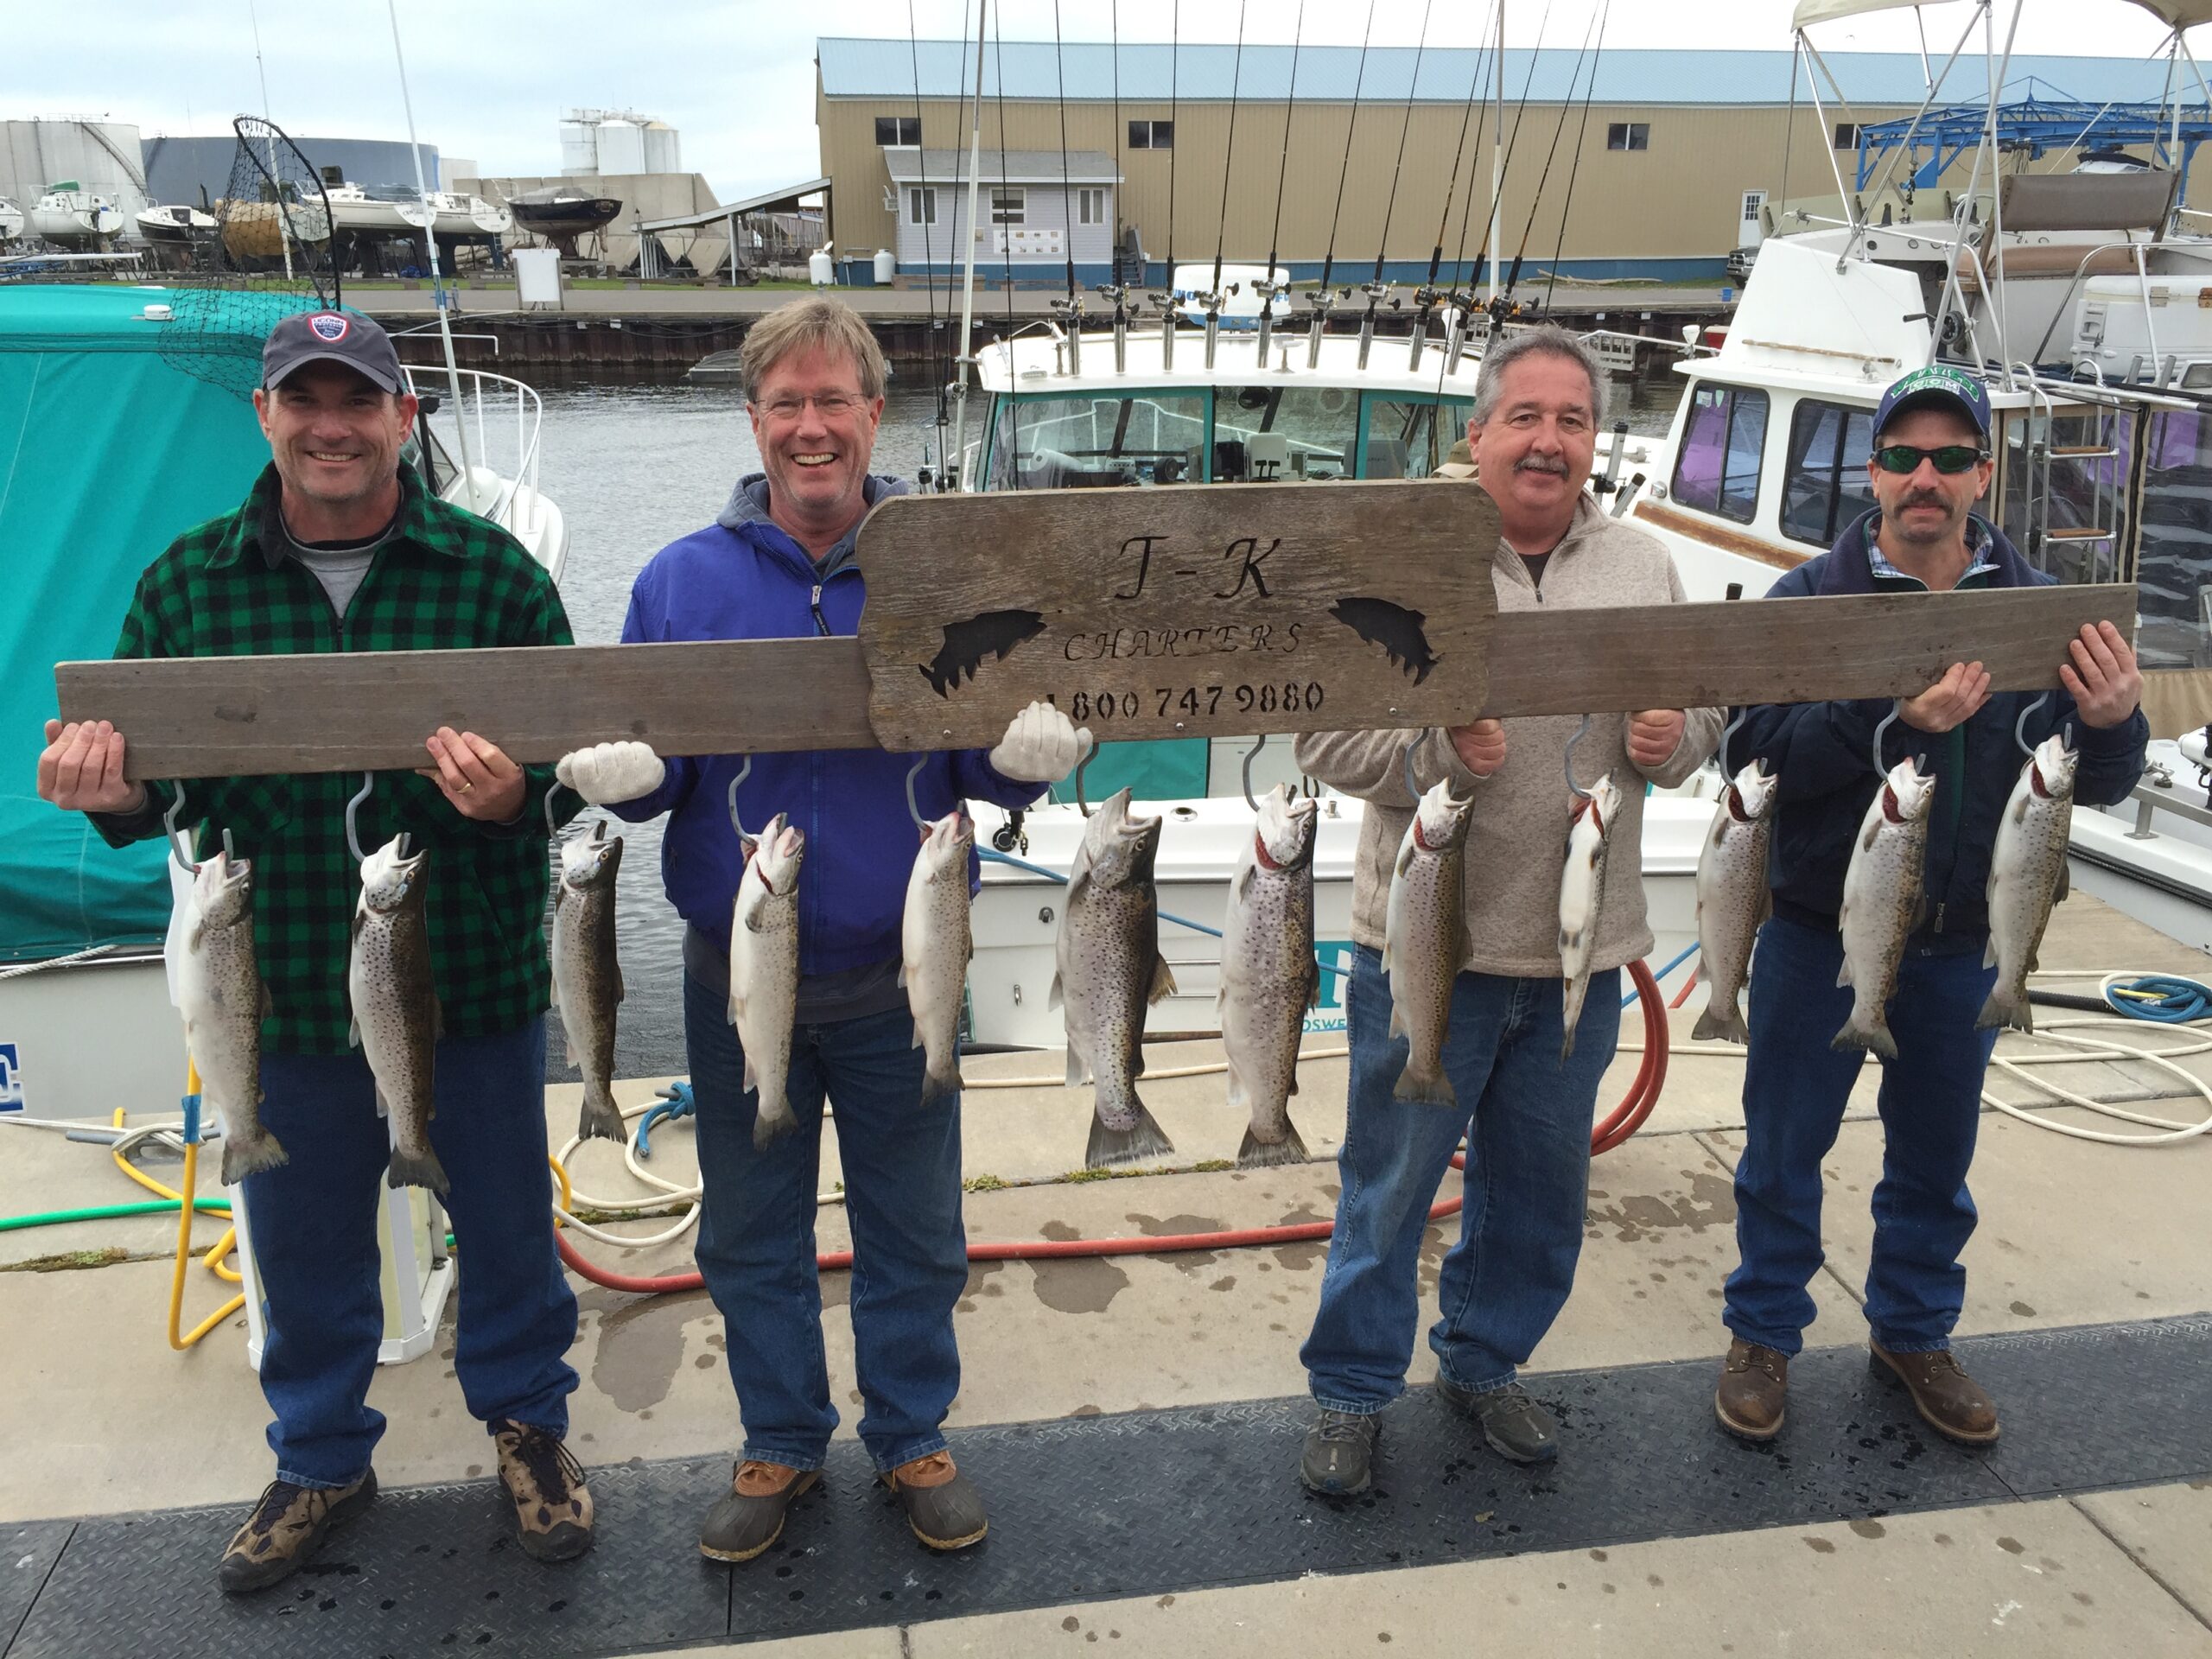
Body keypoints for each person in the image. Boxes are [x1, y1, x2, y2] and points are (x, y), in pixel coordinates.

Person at [36, 310, 594, 1592]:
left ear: (405, 419)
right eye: (306, 400)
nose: (331, 426)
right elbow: (142, 793)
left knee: (508, 1226)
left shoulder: (495, 575)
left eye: (360, 402)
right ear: (267, 417)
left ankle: (530, 1426)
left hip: (474, 980)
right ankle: (321, 1456)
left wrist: (515, 796)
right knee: (300, 1247)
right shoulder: (186, 583)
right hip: (272, 988)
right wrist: (99, 785)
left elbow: (569, 783)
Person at [556, 295, 1079, 1560]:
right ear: (753, 420)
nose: (809, 427)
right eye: (785, 403)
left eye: (831, 401)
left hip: (907, 970)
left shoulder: (945, 572)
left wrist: (1022, 769)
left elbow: (977, 763)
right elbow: (669, 762)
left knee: (913, 1227)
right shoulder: (679, 580)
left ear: (872, 416)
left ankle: (910, 1431)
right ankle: (781, 1438)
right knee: (750, 1226)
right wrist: (639, 780)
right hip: (740, 969)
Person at [1292, 327, 1720, 1495]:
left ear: (1595, 442)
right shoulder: (1399, 564)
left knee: (1539, 1199)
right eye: (1523, 417)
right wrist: (1437, 746)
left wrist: (1677, 738)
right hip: (1425, 952)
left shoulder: (1644, 562)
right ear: (1474, 436)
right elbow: (1323, 736)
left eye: (1571, 420)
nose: (1547, 441)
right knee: (1386, 1195)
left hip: (1581, 961)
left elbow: (1708, 721)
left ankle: (1485, 1361)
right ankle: (1350, 1393)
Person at [1713, 365, 2147, 1446]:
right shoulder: (1807, 602)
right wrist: (1880, 707)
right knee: (1780, 1150)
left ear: (1982, 475)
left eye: (1950, 458)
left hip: (1962, 947)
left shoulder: (2043, 612)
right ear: (1872, 471)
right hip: (1820, 935)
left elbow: (2091, 783)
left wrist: (2117, 721)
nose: (1924, 477)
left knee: (1934, 1163)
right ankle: (1762, 1332)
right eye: (1904, 455)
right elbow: (1747, 761)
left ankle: (1912, 1329)